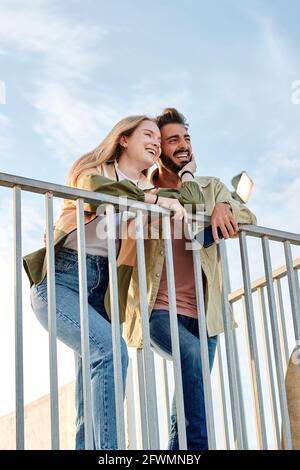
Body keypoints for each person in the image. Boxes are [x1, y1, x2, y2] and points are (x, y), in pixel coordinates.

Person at [23, 115, 188, 450]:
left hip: (101, 292)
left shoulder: (147, 190)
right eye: (148, 134)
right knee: (111, 352)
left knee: (92, 382)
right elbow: (103, 194)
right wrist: (156, 201)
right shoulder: (92, 171)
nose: (156, 142)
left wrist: (185, 175)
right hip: (60, 281)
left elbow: (189, 207)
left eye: (159, 139)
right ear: (123, 139)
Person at [118, 108, 257, 450]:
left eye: (187, 138)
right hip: (158, 309)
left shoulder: (211, 187)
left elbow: (248, 214)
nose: (183, 145)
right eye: (173, 140)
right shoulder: (143, 191)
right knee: (191, 360)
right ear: (158, 148)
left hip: (206, 317)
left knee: (189, 398)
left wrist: (225, 205)